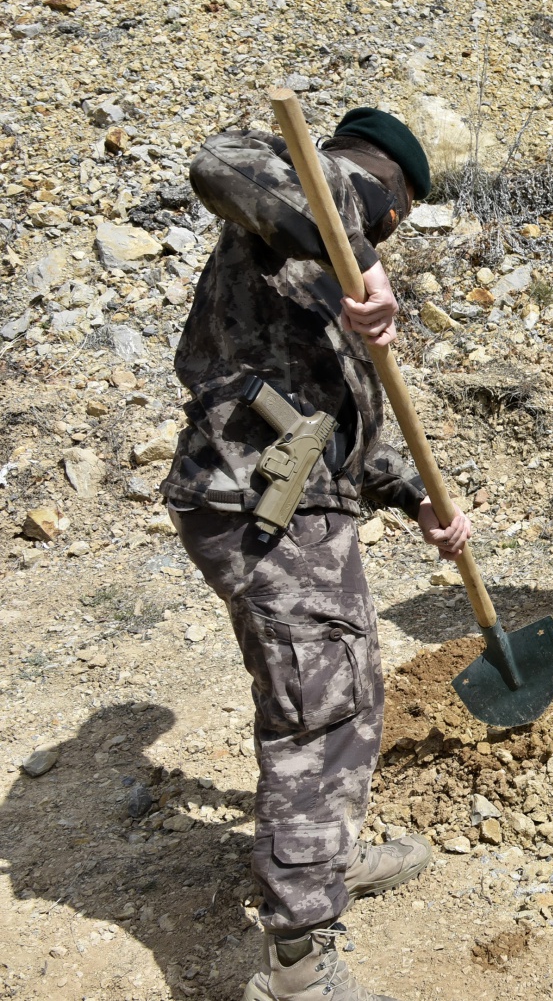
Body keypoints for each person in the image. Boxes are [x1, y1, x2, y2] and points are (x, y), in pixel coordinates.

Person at [162, 108, 473, 1001]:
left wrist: (420, 498)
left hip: (305, 510)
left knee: (345, 688)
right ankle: (298, 959)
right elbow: (218, 156)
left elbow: (343, 424)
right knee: (318, 711)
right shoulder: (281, 213)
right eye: (394, 210)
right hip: (259, 508)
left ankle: (326, 852)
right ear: (379, 187)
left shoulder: (318, 277)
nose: (389, 232)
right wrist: (360, 235)